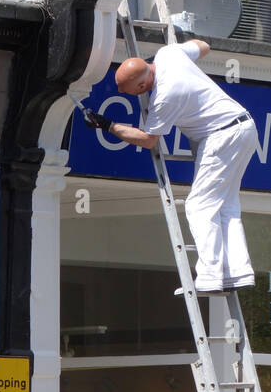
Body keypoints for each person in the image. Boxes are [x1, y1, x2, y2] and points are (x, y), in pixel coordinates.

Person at [82, 36, 258, 293]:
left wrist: (107, 125)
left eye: (133, 92)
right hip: (244, 127)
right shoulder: (167, 54)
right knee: (226, 206)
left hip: (221, 136)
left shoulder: (165, 95)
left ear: (143, 84)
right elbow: (203, 46)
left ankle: (210, 276)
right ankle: (238, 272)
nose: (133, 96)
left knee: (199, 205)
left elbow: (149, 140)